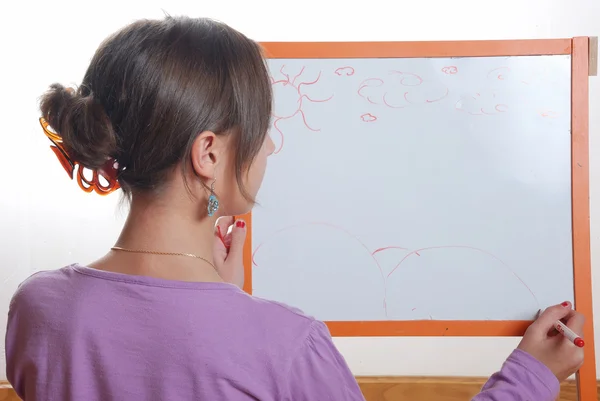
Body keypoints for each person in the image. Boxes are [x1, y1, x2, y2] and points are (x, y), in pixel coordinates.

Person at [5, 16, 584, 401]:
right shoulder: (286, 345)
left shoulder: (37, 307)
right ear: (208, 152)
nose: (270, 147)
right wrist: (530, 377)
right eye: (260, 131)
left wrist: (226, 298)